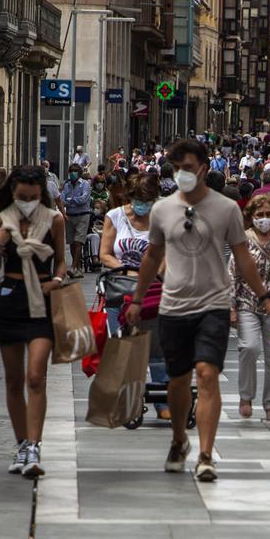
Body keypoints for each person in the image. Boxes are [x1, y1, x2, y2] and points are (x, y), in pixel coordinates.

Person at [123, 139, 270, 483]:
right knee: (179, 380)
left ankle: (206, 455)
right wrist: (137, 299)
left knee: (207, 374)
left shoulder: (226, 208)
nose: (185, 173)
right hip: (173, 306)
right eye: (178, 167)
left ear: (204, 169)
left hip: (213, 303)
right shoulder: (162, 210)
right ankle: (180, 439)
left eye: (190, 167)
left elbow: (242, 256)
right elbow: (152, 256)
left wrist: (265, 298)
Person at [0, 166, 68, 478]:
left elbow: (61, 259)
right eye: (22, 197)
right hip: (11, 297)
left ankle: (34, 445)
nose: (28, 202)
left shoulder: (54, 219)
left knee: (35, 376)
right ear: (12, 193)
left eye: (33, 197)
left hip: (43, 298)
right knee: (12, 379)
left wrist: (58, 279)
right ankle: (21, 443)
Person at [98, 172, 170, 418]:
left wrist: (153, 274)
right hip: (120, 289)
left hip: (153, 290)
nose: (143, 204)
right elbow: (105, 254)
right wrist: (127, 270)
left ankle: (163, 403)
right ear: (129, 196)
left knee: (157, 345)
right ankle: (129, 400)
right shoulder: (114, 217)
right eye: (138, 198)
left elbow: (167, 253)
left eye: (148, 199)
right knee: (124, 347)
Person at [229, 194, 270, 421]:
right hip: (247, 302)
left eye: (268, 215)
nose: (264, 219)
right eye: (259, 215)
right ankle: (246, 396)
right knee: (249, 348)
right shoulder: (243, 239)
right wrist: (232, 307)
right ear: (251, 217)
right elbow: (232, 273)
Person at [61, 164, 92, 278]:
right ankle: (77, 267)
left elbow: (84, 199)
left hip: (82, 215)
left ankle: (73, 267)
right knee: (72, 243)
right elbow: (62, 199)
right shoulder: (67, 185)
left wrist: (70, 200)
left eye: (75, 171)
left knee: (79, 241)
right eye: (71, 171)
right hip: (69, 216)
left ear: (79, 173)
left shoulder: (85, 184)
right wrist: (72, 201)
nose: (73, 173)